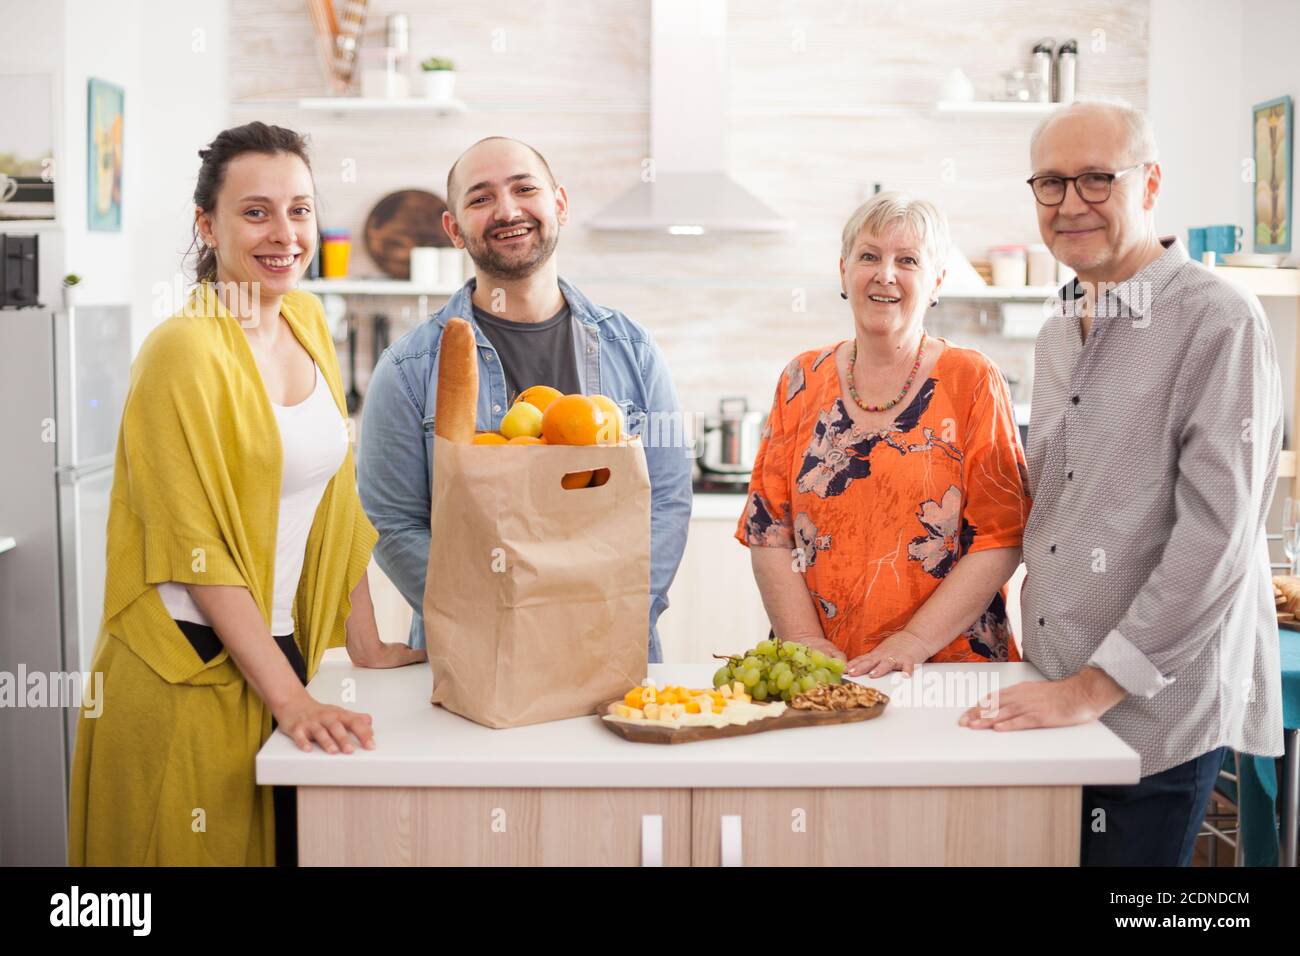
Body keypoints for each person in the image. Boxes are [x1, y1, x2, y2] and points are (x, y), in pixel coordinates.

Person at [68, 122, 424, 867]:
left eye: (298, 210)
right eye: (255, 211)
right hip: (186, 674)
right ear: (208, 223)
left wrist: (364, 642)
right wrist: (290, 701)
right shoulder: (182, 351)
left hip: (281, 658)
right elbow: (192, 552)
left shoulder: (304, 320)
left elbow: (333, 501)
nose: (283, 234)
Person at [959, 100, 1285, 866]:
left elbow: (1218, 540)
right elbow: (1063, 500)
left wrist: (1092, 688)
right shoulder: (1057, 325)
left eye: (1097, 179)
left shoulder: (1218, 319)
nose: (1071, 203)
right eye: (1050, 183)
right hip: (1051, 686)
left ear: (1151, 185)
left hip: (1148, 708)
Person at [357, 136, 692, 661]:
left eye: (524, 188)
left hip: (611, 645)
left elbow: (667, 499)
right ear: (454, 229)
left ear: (558, 202)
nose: (507, 210)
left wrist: (619, 608)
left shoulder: (634, 350)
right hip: (476, 655)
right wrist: (488, 616)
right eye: (480, 198)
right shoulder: (407, 370)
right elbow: (393, 523)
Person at [737, 192, 1029, 678]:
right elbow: (768, 531)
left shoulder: (973, 379)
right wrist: (806, 641)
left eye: (908, 260)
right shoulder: (799, 379)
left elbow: (1000, 537)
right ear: (843, 272)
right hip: (820, 667)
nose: (885, 274)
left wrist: (912, 642)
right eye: (869, 255)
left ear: (936, 281)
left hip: (948, 669)